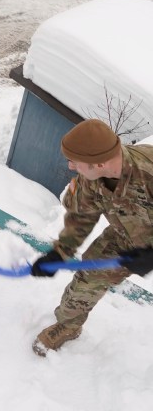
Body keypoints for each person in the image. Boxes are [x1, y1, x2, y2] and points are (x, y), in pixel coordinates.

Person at [31, 118, 153, 356]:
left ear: (98, 164)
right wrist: (60, 252)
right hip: (124, 238)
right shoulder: (90, 179)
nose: (70, 166)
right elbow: (81, 217)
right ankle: (68, 326)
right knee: (88, 277)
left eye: (74, 161)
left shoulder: (148, 171)